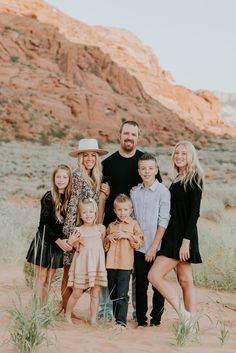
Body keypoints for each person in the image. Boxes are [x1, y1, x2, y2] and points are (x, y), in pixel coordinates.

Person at [99, 120, 162, 319]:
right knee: (109, 269)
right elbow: (100, 194)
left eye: (133, 134)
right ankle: (106, 310)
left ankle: (135, 312)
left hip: (137, 228)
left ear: (138, 137)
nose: (129, 137)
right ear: (119, 135)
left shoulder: (144, 162)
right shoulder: (107, 164)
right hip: (112, 225)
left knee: (135, 272)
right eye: (126, 133)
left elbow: (157, 191)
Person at [148, 141, 204, 320]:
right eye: (176, 153)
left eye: (183, 153)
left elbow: (194, 213)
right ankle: (191, 322)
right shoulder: (178, 177)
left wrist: (185, 242)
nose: (179, 156)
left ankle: (184, 313)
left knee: (154, 275)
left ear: (191, 157)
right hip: (173, 233)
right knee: (185, 281)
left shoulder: (194, 177)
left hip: (182, 237)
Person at [62, 139, 109, 314]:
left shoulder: (95, 177)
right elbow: (73, 206)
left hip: (89, 231)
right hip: (77, 231)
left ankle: (68, 309)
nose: (89, 158)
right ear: (80, 158)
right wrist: (72, 234)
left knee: (76, 273)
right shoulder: (78, 176)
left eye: (92, 155)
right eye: (86, 155)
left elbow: (95, 207)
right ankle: (65, 308)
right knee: (70, 273)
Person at [131, 153, 170, 327]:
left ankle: (156, 320)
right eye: (143, 168)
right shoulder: (135, 192)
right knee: (140, 285)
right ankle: (140, 320)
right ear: (139, 171)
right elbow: (133, 218)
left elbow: (163, 221)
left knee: (157, 285)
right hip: (139, 247)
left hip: (158, 247)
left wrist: (153, 247)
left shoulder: (163, 192)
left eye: (150, 168)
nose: (147, 171)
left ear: (156, 170)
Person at [26, 164, 72, 304]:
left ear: (69, 179)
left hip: (58, 244)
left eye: (64, 177)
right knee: (41, 277)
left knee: (49, 279)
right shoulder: (49, 196)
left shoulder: (71, 198)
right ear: (53, 178)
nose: (61, 180)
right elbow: (43, 225)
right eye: (58, 176)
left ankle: (43, 308)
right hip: (46, 241)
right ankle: (37, 309)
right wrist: (59, 241)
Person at [65, 198, 107, 325]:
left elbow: (103, 245)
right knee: (77, 292)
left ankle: (93, 318)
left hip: (97, 265)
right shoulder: (78, 231)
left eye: (91, 212)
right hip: (82, 266)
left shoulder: (100, 229)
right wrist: (71, 241)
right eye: (84, 212)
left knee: (95, 293)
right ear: (80, 214)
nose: (88, 215)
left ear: (95, 212)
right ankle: (67, 314)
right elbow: (74, 247)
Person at [104, 194, 144, 328]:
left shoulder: (133, 225)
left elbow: (139, 241)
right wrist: (108, 238)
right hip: (110, 264)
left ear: (131, 210)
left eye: (125, 210)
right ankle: (117, 318)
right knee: (113, 292)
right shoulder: (111, 226)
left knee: (122, 293)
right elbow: (104, 245)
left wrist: (128, 236)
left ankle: (121, 322)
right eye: (119, 210)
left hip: (125, 265)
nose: (122, 213)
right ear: (115, 210)